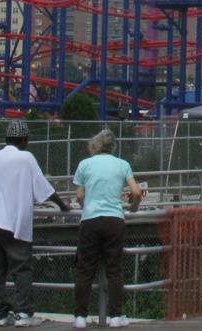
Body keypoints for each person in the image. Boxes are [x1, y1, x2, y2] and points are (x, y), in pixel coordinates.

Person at [0, 121, 72, 328]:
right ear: (23, 139)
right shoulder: (25, 158)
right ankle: (23, 313)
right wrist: (64, 206)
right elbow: (44, 189)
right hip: (13, 223)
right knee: (21, 269)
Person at [73, 129, 143, 330]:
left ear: (96, 145)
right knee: (114, 269)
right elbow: (136, 191)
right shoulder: (122, 164)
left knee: (85, 269)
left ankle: (80, 317)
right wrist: (133, 207)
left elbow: (79, 195)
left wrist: (87, 206)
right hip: (114, 219)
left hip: (90, 220)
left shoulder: (85, 164)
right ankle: (116, 316)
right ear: (113, 147)